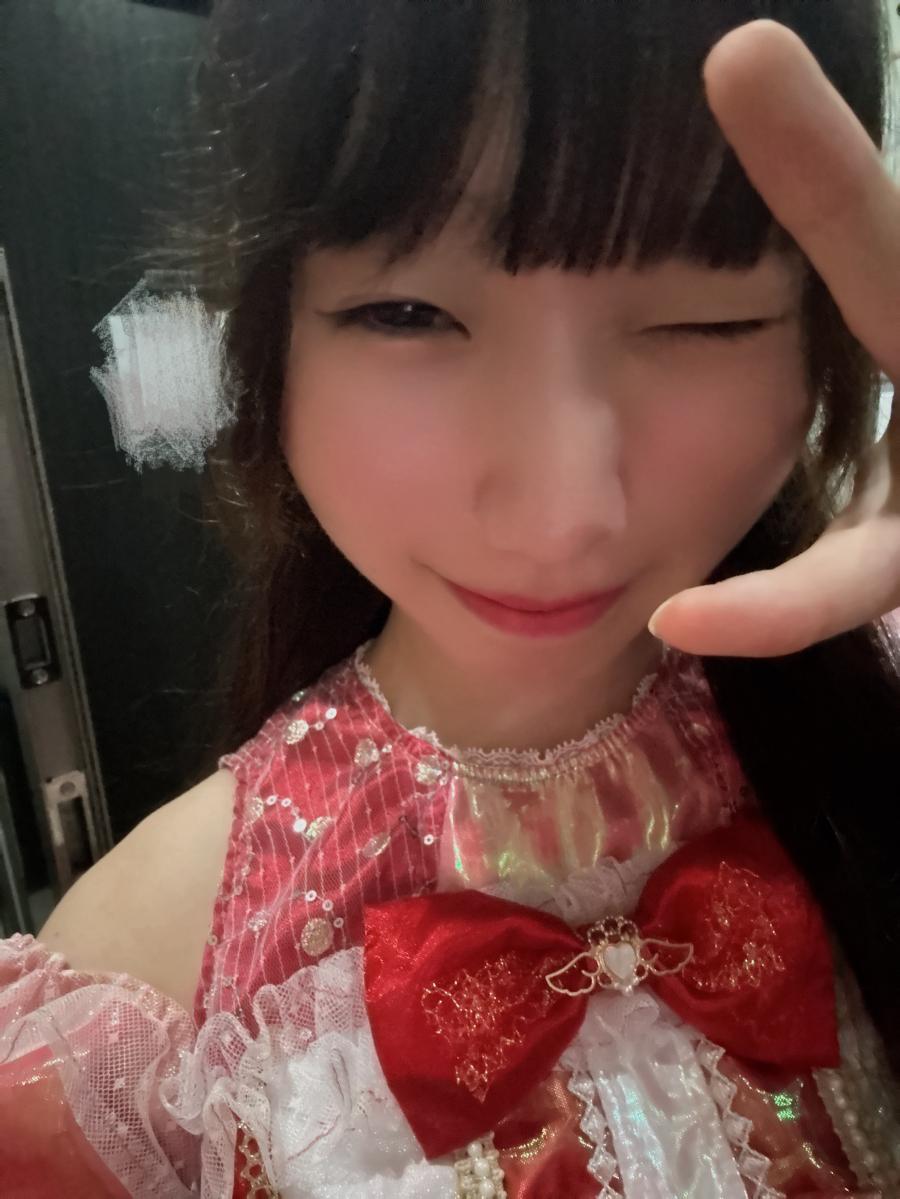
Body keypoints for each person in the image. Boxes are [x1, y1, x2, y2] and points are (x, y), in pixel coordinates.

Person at [2, 1, 900, 1195]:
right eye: (407, 312)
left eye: (706, 318)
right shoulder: (137, 1020)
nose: (560, 512)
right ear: (267, 332)